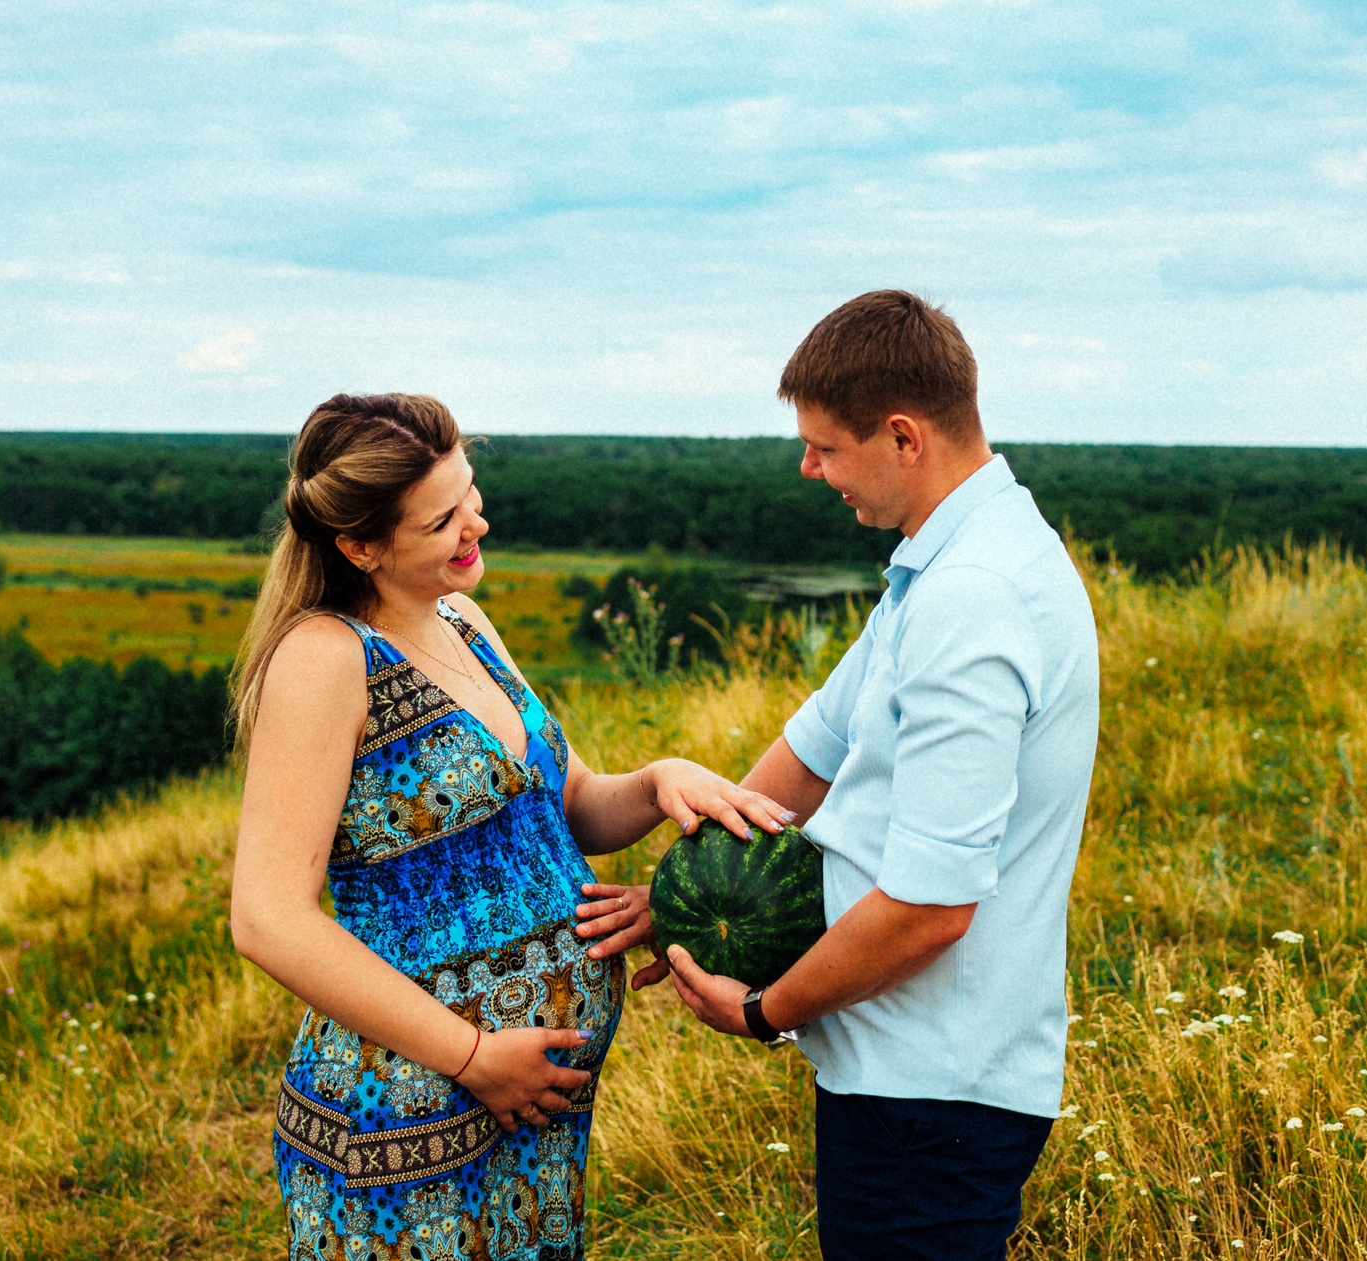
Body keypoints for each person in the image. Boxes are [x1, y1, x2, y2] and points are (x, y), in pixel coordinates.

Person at [228, 392, 792, 1261]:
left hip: (526, 1106)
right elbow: (268, 918)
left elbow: (564, 811)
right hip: (407, 1114)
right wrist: (473, 1054)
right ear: (360, 545)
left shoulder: (462, 621)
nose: (476, 524)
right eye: (443, 519)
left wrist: (656, 781)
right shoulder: (325, 657)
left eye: (472, 493)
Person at [636, 290, 1103, 1261]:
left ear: (901, 435)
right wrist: (681, 891)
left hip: (931, 1085)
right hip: (908, 1070)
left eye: (823, 446)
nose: (807, 468)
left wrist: (764, 1012)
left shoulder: (972, 597)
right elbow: (814, 748)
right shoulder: (943, 567)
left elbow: (932, 905)